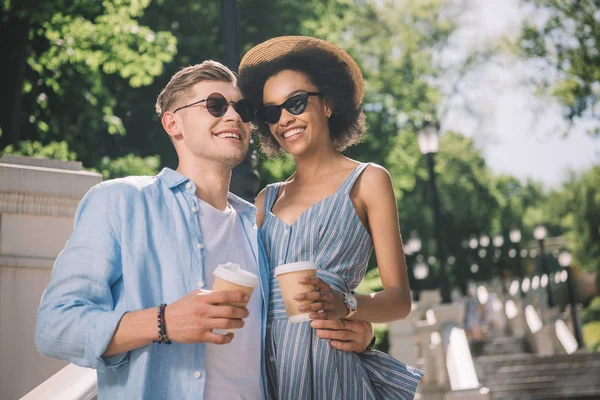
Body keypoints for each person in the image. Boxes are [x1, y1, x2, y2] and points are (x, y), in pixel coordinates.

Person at [35, 60, 373, 399]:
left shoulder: (257, 224)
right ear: (173, 123)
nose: (233, 116)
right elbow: (55, 327)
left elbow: (285, 325)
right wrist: (163, 322)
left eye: (241, 108)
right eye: (215, 105)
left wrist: (360, 332)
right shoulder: (121, 202)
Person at [238, 36, 424, 400]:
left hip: (332, 364)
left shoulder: (369, 181)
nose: (285, 119)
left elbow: (399, 299)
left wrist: (351, 308)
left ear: (327, 103)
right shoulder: (265, 199)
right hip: (268, 370)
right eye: (272, 112)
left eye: (295, 102)